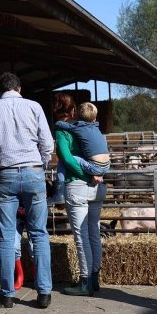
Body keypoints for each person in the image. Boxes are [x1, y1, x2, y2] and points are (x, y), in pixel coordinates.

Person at [0, 72, 54, 309]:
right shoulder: (34, 107)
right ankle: (43, 293)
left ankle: (7, 293)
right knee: (38, 232)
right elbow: (47, 143)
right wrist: (40, 166)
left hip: (6, 173)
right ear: (19, 88)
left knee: (7, 234)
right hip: (33, 171)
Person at [53, 94, 109, 296]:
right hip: (97, 185)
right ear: (74, 110)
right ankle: (95, 278)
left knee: (81, 235)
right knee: (94, 231)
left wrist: (87, 173)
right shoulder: (88, 126)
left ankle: (84, 281)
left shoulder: (62, 131)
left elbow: (67, 159)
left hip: (77, 185)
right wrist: (96, 173)